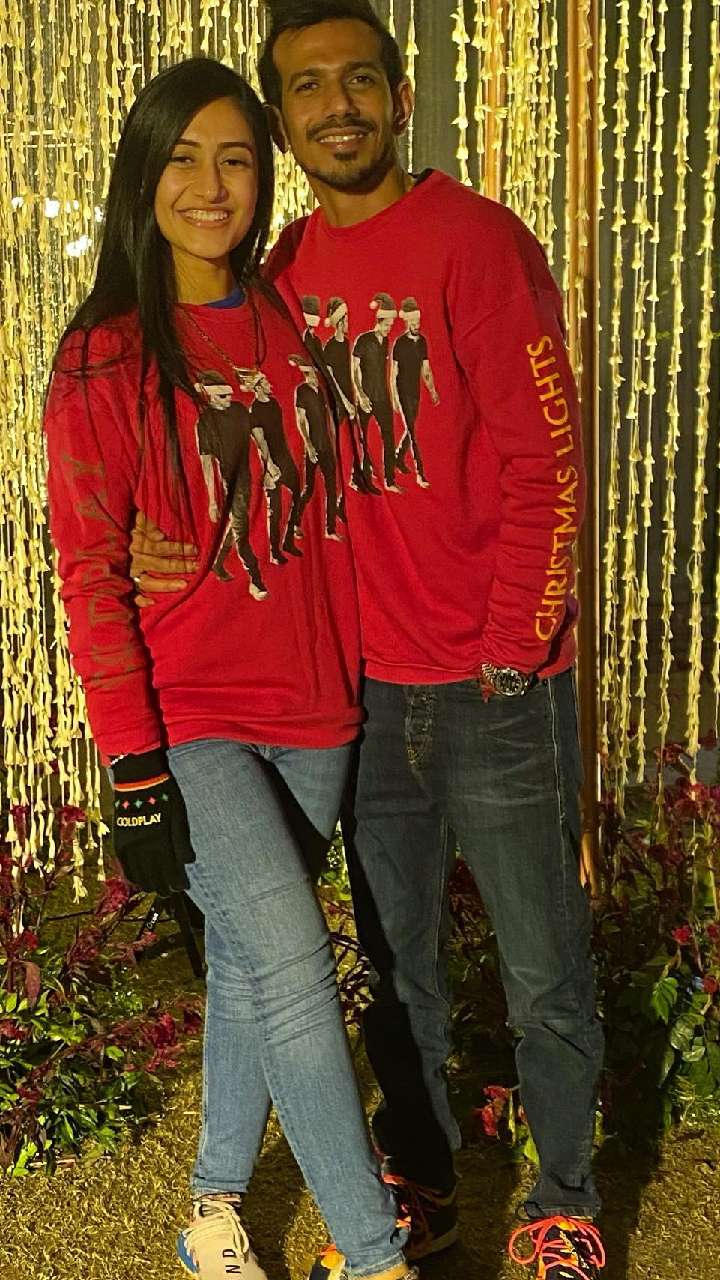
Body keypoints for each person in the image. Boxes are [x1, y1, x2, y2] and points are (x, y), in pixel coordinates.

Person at [128, 7, 607, 1278]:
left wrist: (512, 648)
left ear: (399, 97)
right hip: (361, 692)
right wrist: (150, 539)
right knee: (397, 967)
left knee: (541, 963)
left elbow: (548, 459)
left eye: (357, 81)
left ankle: (563, 1198)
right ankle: (426, 1178)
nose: (334, 104)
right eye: (305, 88)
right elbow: (221, 442)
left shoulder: (479, 242)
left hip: (494, 679)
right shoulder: (278, 271)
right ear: (283, 123)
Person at [43, 56, 415, 1280]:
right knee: (298, 962)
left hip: (317, 706)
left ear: (265, 176)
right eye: (183, 158)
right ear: (142, 178)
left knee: (259, 971)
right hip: (190, 710)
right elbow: (90, 576)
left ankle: (211, 1207)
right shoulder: (101, 357)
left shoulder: (292, 317)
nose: (210, 185)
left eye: (237, 158)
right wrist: (132, 766)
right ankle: (376, 1255)